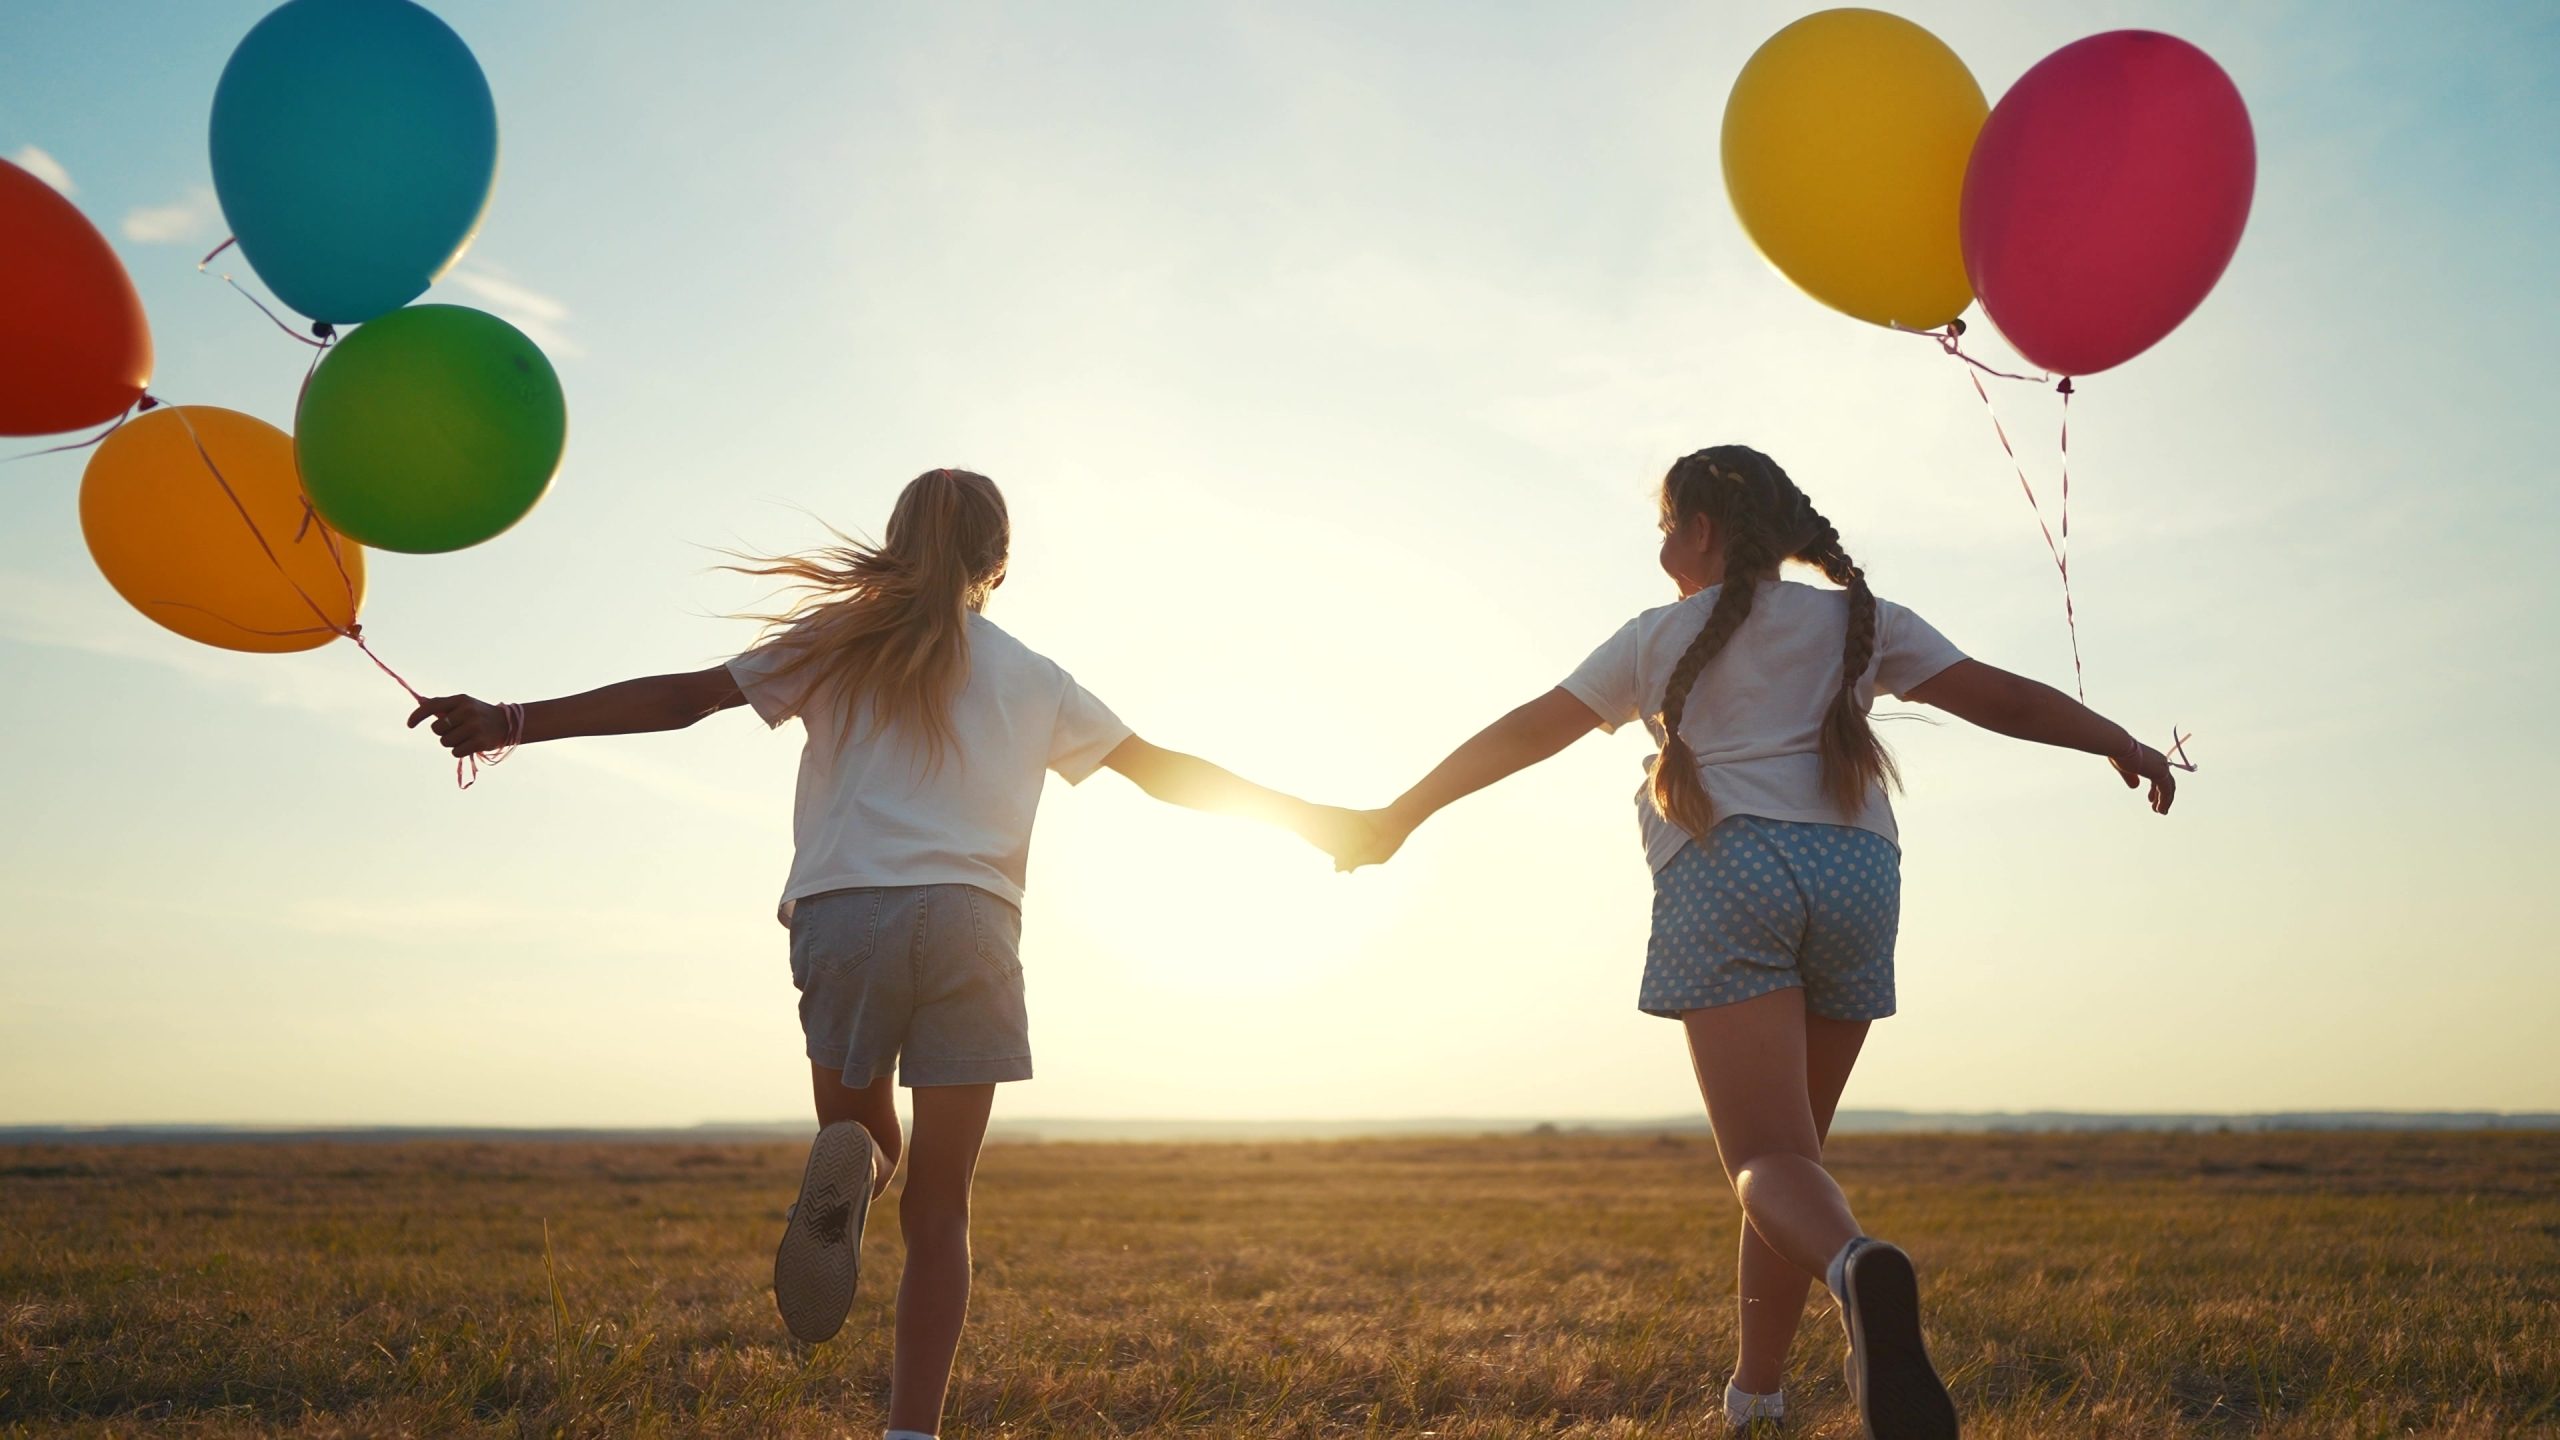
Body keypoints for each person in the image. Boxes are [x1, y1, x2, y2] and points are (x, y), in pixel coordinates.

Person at [409, 467, 1350, 1440]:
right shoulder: (1033, 675)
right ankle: (911, 1432)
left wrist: (517, 720)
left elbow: (685, 700)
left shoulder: (836, 643)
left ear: (894, 546)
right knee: (942, 1209)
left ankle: (856, 1167)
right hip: (973, 926)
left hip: (844, 917)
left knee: (865, 1144)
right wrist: (1312, 820)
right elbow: (1164, 773)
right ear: (1000, 564)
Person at [1326, 445, 2178, 1438]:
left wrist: (1400, 814)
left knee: (1768, 1162)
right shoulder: (1858, 621)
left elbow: (1528, 730)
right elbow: (1998, 696)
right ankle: (1756, 1399)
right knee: (1792, 1162)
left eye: (1663, 525)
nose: (1658, 545)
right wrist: (2115, 738)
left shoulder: (1653, 637)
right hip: (1857, 875)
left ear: (1699, 530)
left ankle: (1856, 1270)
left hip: (1728, 872)